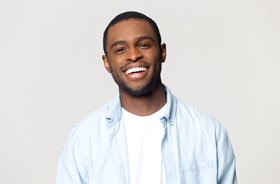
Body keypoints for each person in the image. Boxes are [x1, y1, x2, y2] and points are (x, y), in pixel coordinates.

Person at [56, 11, 237, 184]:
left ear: (162, 52)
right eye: (120, 49)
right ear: (107, 62)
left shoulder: (208, 131)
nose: (134, 55)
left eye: (144, 45)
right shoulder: (84, 139)